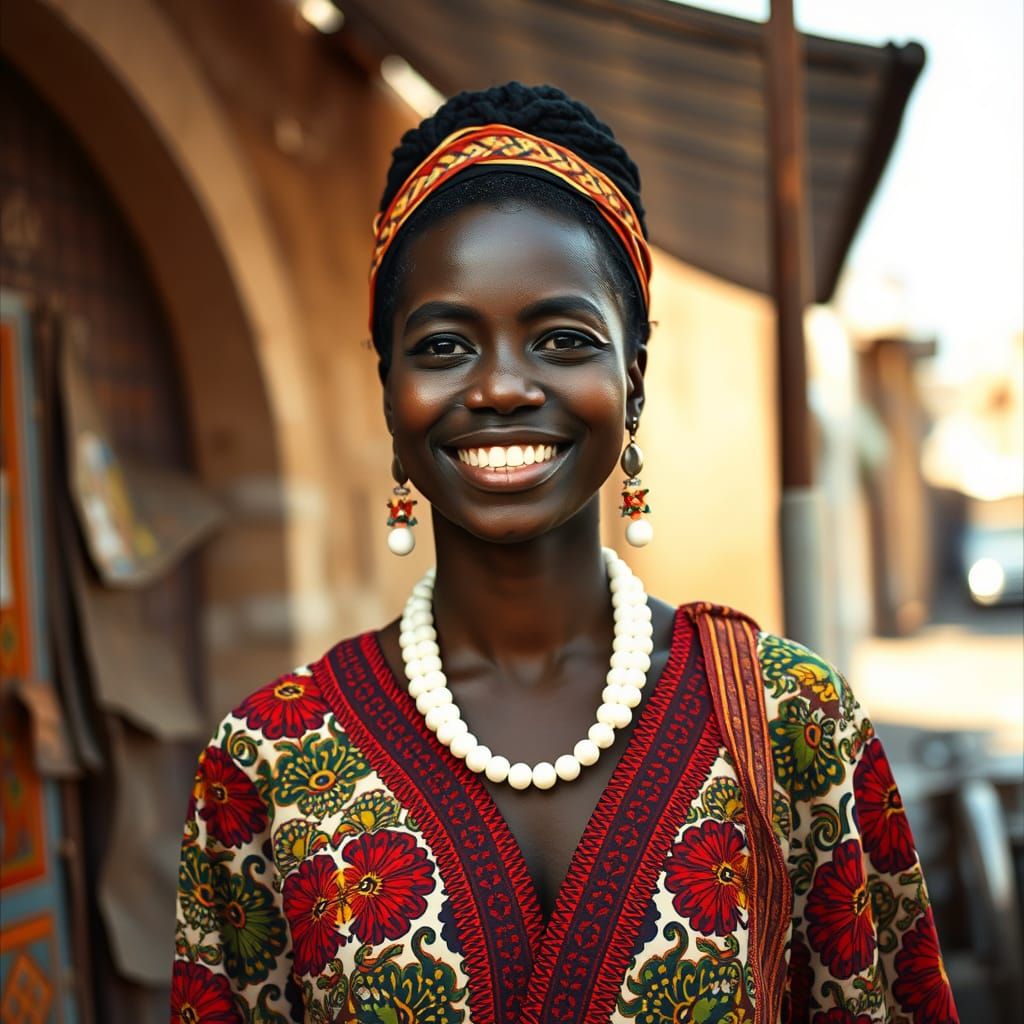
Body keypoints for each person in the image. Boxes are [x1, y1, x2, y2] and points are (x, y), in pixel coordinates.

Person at [171, 84, 958, 1024]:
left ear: (633, 381)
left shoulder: (790, 721)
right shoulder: (266, 762)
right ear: (390, 395)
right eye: (444, 346)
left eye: (562, 339)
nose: (503, 387)